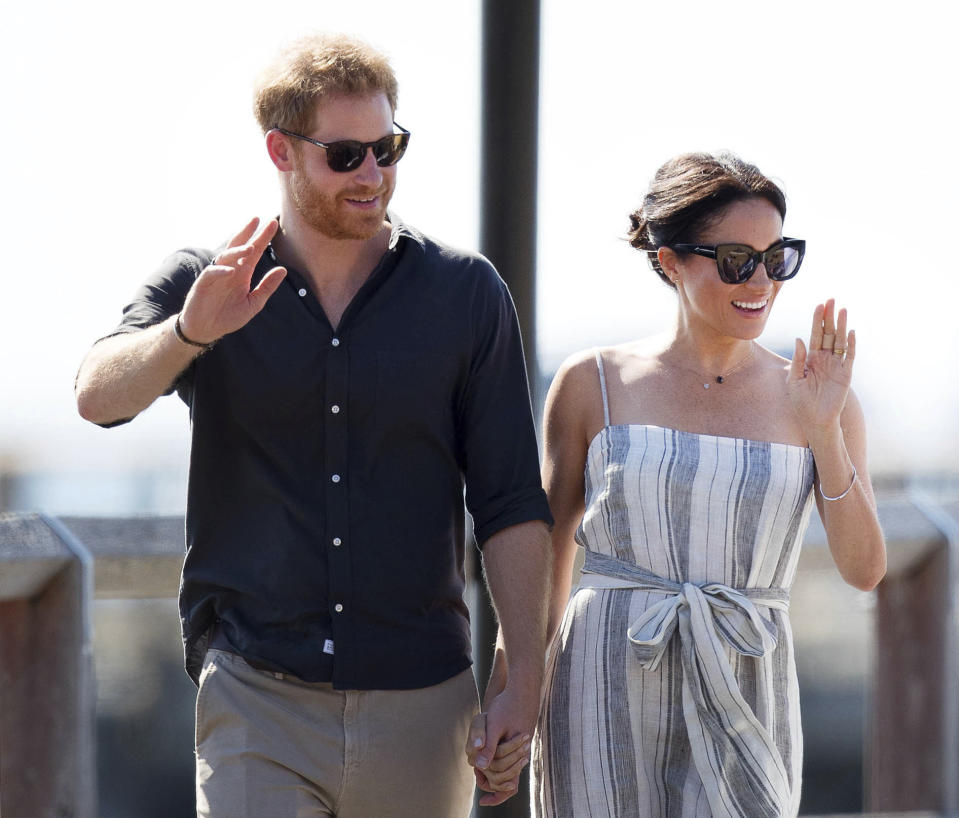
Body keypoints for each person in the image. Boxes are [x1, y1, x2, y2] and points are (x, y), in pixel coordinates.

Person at [75, 32, 551, 818]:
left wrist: (521, 678)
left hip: (424, 705)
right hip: (257, 695)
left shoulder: (466, 294)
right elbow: (98, 397)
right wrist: (189, 334)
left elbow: (507, 500)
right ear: (281, 150)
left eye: (387, 149)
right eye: (346, 155)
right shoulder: (206, 283)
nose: (373, 174)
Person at [528, 152, 886, 817]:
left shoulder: (818, 398)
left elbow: (863, 569)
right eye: (734, 260)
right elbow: (545, 551)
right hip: (602, 672)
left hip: (746, 678)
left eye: (775, 257)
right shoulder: (592, 382)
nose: (760, 280)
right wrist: (512, 684)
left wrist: (823, 427)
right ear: (670, 262)